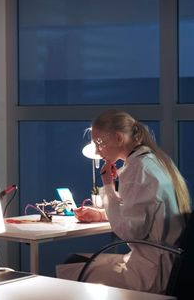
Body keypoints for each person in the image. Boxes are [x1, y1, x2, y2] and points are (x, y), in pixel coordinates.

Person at [56, 109, 191, 293]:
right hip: (170, 263)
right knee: (75, 261)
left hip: (152, 273)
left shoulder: (138, 171)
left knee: (71, 267)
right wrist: (102, 214)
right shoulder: (154, 161)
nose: (96, 150)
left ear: (119, 138)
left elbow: (129, 231)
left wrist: (109, 186)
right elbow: (146, 212)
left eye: (99, 142)